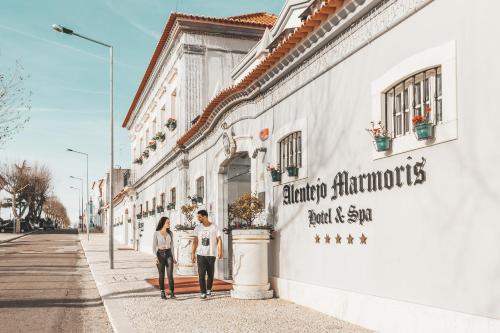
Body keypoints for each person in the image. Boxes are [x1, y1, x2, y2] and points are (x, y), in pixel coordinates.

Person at [192, 209, 222, 300]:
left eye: (200, 217)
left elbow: (219, 240)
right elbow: (195, 241)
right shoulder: (197, 228)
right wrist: (192, 253)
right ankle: (203, 292)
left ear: (205, 216)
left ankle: (208, 290)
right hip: (200, 254)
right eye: (198, 217)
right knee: (201, 274)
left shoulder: (215, 227)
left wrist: (220, 251)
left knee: (210, 274)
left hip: (211, 254)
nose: (198, 218)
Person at [153, 217, 176, 299]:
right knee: (161, 274)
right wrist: (155, 257)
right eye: (167, 223)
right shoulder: (156, 233)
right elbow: (154, 247)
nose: (169, 224)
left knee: (170, 274)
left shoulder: (170, 233)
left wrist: (174, 257)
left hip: (169, 253)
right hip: (160, 254)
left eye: (169, 223)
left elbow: (172, 246)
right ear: (163, 223)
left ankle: (172, 292)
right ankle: (162, 292)